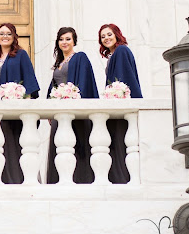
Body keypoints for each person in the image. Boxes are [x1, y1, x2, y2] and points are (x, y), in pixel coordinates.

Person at [0, 22, 39, 184]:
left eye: (8, 33)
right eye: (1, 33)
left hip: (14, 111)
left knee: (14, 146)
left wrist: (23, 101)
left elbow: (29, 82)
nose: (4, 36)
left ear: (14, 37)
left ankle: (17, 181)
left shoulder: (20, 55)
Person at [45, 27, 99, 184]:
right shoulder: (59, 63)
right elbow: (53, 87)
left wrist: (74, 98)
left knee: (74, 144)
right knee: (58, 145)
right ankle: (57, 181)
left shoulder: (80, 58)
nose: (64, 42)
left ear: (74, 41)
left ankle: (79, 180)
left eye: (68, 39)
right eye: (61, 39)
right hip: (58, 111)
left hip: (73, 110)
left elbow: (84, 82)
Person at [99, 23, 142, 184]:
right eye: (103, 37)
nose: (106, 38)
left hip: (121, 106)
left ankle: (123, 178)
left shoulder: (122, 51)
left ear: (117, 34)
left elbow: (126, 80)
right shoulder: (113, 55)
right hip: (115, 104)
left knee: (121, 142)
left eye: (109, 34)